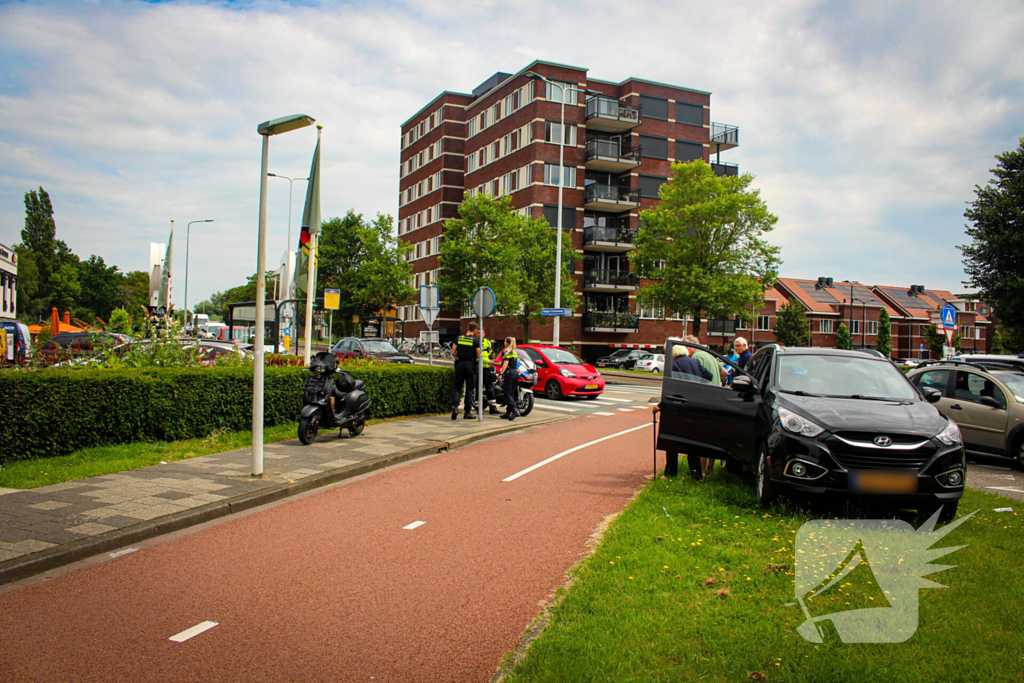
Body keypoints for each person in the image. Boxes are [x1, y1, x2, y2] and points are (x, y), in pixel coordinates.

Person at [452, 323, 480, 420]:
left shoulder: (459, 338)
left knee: (457, 388)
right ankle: (467, 412)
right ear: (475, 330)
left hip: (460, 364)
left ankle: (455, 408)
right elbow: (478, 355)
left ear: (467, 328)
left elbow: (453, 352)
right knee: (469, 389)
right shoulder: (476, 340)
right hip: (470, 366)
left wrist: (459, 355)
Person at [479, 330, 501, 415]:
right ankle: (478, 408)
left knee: (490, 388)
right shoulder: (476, 342)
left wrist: (492, 355)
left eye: (482, 333)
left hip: (487, 368)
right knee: (478, 388)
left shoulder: (487, 342)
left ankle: (492, 408)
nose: (480, 335)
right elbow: (478, 356)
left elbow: (490, 352)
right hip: (479, 368)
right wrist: (489, 361)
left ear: (484, 334)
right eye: (478, 333)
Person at [498, 336, 520, 421]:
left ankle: (515, 410)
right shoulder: (514, 352)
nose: (504, 343)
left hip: (509, 374)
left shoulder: (507, 351)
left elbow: (505, 364)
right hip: (515, 373)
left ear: (507, 343)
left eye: (504, 341)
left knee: (507, 393)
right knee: (511, 393)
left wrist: (500, 374)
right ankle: (508, 412)